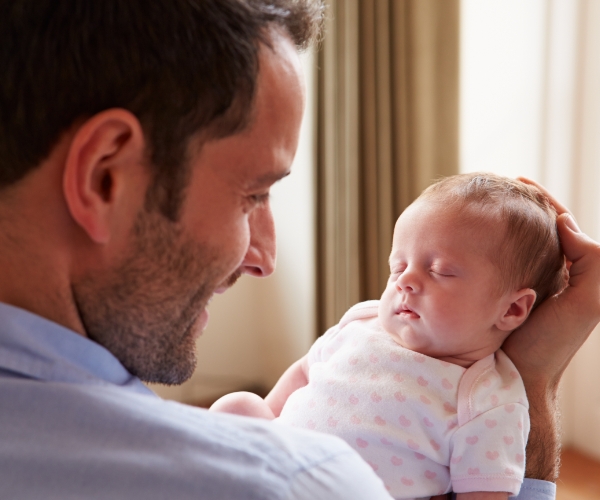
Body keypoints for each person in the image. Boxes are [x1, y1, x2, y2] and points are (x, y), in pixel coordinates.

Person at [0, 1, 598, 499]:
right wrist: (538, 378)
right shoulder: (295, 482)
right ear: (106, 176)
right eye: (251, 195)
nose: (264, 256)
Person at [210, 173, 567, 499]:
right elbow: (305, 372)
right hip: (278, 465)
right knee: (238, 406)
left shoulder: (490, 398)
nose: (405, 281)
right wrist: (269, 421)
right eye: (398, 266)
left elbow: (485, 491)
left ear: (512, 310)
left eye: (439, 270)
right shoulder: (362, 322)